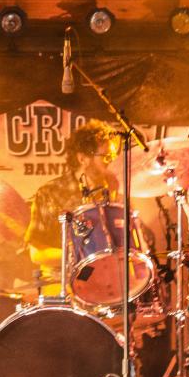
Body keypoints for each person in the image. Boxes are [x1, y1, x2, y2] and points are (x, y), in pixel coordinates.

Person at [24, 118, 122, 292]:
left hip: (105, 284)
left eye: (114, 156)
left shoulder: (112, 189)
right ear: (83, 158)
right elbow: (37, 253)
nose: (112, 162)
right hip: (61, 284)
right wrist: (83, 257)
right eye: (106, 157)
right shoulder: (50, 194)